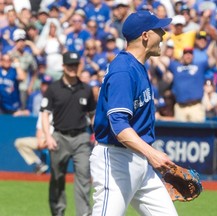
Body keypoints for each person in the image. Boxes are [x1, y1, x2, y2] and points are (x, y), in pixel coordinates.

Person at [90, 11, 178, 216]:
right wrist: (152, 154)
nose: (164, 34)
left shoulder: (137, 67)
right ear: (146, 35)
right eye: (159, 30)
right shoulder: (123, 70)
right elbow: (119, 126)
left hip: (139, 162)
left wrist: (147, 155)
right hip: (116, 160)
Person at [40, 51, 96, 216]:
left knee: (84, 178)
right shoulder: (53, 89)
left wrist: (97, 134)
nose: (72, 68)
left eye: (75, 65)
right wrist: (48, 137)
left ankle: (84, 214)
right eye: (69, 65)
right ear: (63, 66)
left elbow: (92, 115)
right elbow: (44, 114)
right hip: (59, 137)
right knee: (57, 179)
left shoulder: (86, 89)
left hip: (81, 137)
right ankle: (58, 212)